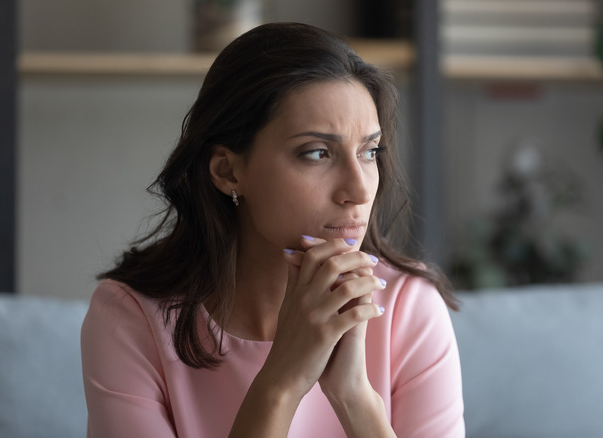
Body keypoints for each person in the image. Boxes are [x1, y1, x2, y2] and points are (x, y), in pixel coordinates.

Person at [81, 22, 465, 437]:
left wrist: (354, 396)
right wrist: (281, 383)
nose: (358, 189)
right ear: (228, 171)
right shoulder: (131, 317)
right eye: (317, 153)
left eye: (369, 152)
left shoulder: (410, 308)